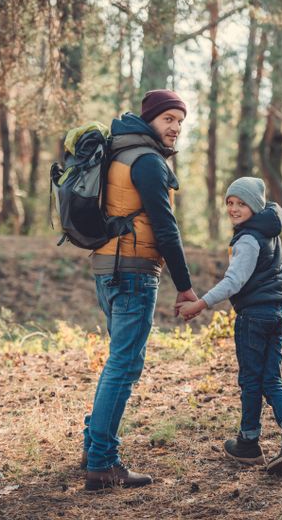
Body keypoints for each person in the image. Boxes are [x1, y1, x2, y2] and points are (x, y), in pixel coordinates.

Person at [83, 89, 197, 491]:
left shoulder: (119, 151)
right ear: (150, 119)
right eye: (168, 119)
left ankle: (92, 448)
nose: (175, 127)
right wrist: (184, 287)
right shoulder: (147, 161)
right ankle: (102, 462)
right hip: (133, 270)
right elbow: (166, 228)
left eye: (180, 121)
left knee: (117, 363)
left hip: (107, 267)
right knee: (124, 367)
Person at [177, 177, 282, 475]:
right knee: (270, 378)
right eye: (229, 202)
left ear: (255, 206)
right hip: (276, 313)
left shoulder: (249, 240)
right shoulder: (269, 234)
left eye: (241, 203)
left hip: (253, 318)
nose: (234, 208)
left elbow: (233, 281)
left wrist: (200, 304)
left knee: (252, 380)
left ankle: (249, 443)